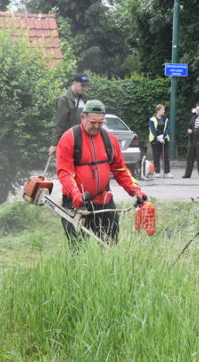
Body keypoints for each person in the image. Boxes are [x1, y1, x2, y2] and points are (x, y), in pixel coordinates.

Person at [56, 99, 148, 243]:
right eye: (93, 122)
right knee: (78, 249)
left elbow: (120, 169)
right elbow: (64, 172)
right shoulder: (69, 138)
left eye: (100, 123)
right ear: (83, 118)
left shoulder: (109, 139)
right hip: (76, 203)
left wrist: (135, 191)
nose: (97, 126)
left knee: (110, 244)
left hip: (104, 201)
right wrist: (75, 195)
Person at [49, 73, 90, 155]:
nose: (84, 88)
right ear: (74, 83)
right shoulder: (64, 99)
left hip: (84, 140)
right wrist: (54, 144)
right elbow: (59, 123)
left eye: (86, 86)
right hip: (69, 140)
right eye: (82, 85)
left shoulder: (86, 98)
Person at [148, 104, 171, 178]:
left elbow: (167, 129)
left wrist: (162, 136)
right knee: (156, 156)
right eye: (162, 110)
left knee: (166, 156)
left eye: (164, 110)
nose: (164, 111)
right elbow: (152, 130)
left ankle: (167, 172)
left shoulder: (166, 119)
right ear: (158, 110)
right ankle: (157, 171)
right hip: (155, 140)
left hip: (164, 139)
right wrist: (158, 137)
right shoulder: (152, 119)